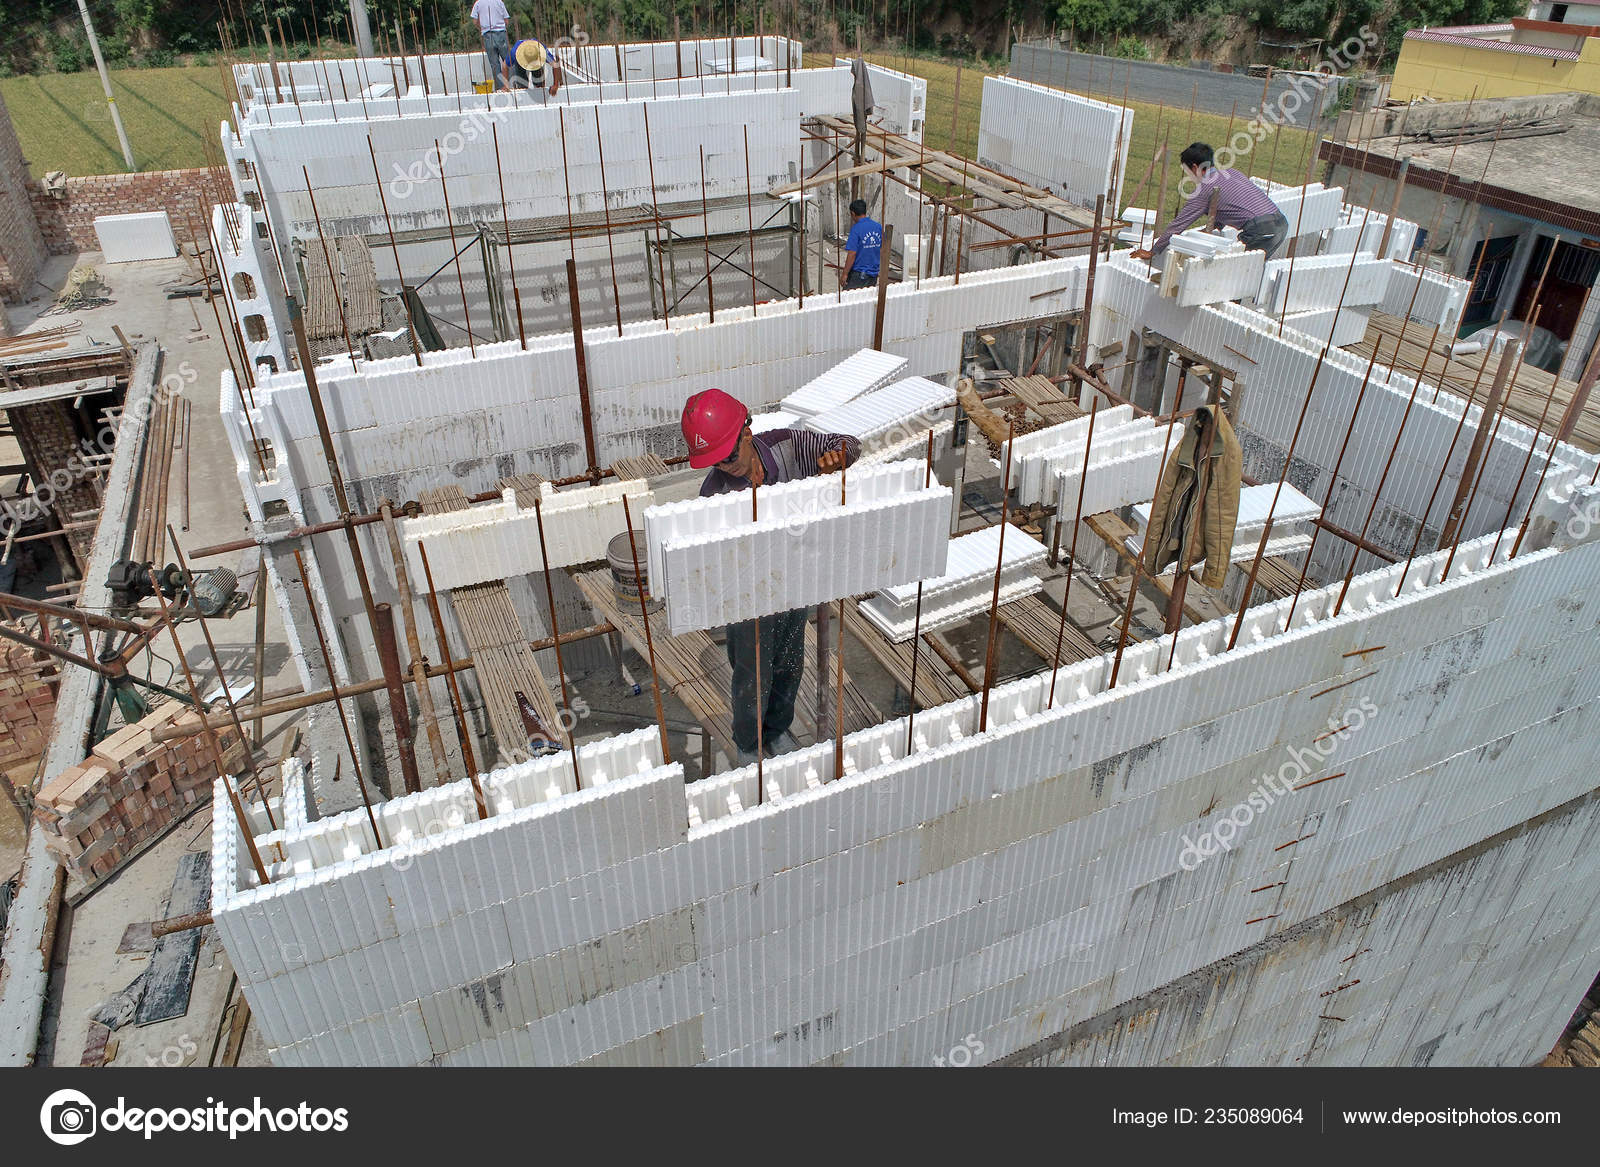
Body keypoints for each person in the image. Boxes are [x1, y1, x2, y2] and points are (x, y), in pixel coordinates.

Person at [681, 388, 860, 766]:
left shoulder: (789, 446)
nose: (725, 466)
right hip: (747, 596)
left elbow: (848, 443)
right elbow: (715, 563)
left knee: (790, 662)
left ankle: (776, 732)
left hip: (794, 582)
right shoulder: (714, 493)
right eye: (715, 461)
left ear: (746, 432)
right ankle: (748, 743)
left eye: (728, 455)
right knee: (751, 672)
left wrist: (838, 457)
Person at [1131, 142, 1291, 264]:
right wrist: (1215, 226)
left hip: (1261, 230)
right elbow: (1229, 205)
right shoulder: (1232, 172)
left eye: (1186, 171)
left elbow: (1178, 224)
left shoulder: (1205, 188)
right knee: (1249, 271)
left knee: (1236, 272)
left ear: (1194, 168)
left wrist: (1153, 251)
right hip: (1281, 224)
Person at [839, 199, 882, 290]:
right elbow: (882, 249)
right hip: (873, 274)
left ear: (853, 213)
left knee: (848, 300)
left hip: (859, 274)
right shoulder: (878, 227)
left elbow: (852, 254)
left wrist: (845, 274)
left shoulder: (856, 229)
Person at [469, 0, 512, 91]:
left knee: (495, 64)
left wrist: (482, 28)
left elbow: (475, 21)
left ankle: (500, 88)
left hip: (488, 35)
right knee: (508, 61)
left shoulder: (478, 3)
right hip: (501, 34)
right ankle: (511, 85)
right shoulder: (499, 2)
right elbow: (506, 21)